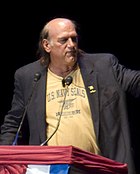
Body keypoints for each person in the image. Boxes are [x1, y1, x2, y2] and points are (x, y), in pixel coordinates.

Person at [0, 17, 139, 174]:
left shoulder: (103, 66)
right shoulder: (28, 76)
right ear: (47, 45)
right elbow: (13, 124)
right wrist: (4, 160)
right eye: (63, 40)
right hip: (53, 169)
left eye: (74, 38)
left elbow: (136, 82)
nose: (71, 45)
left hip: (100, 166)